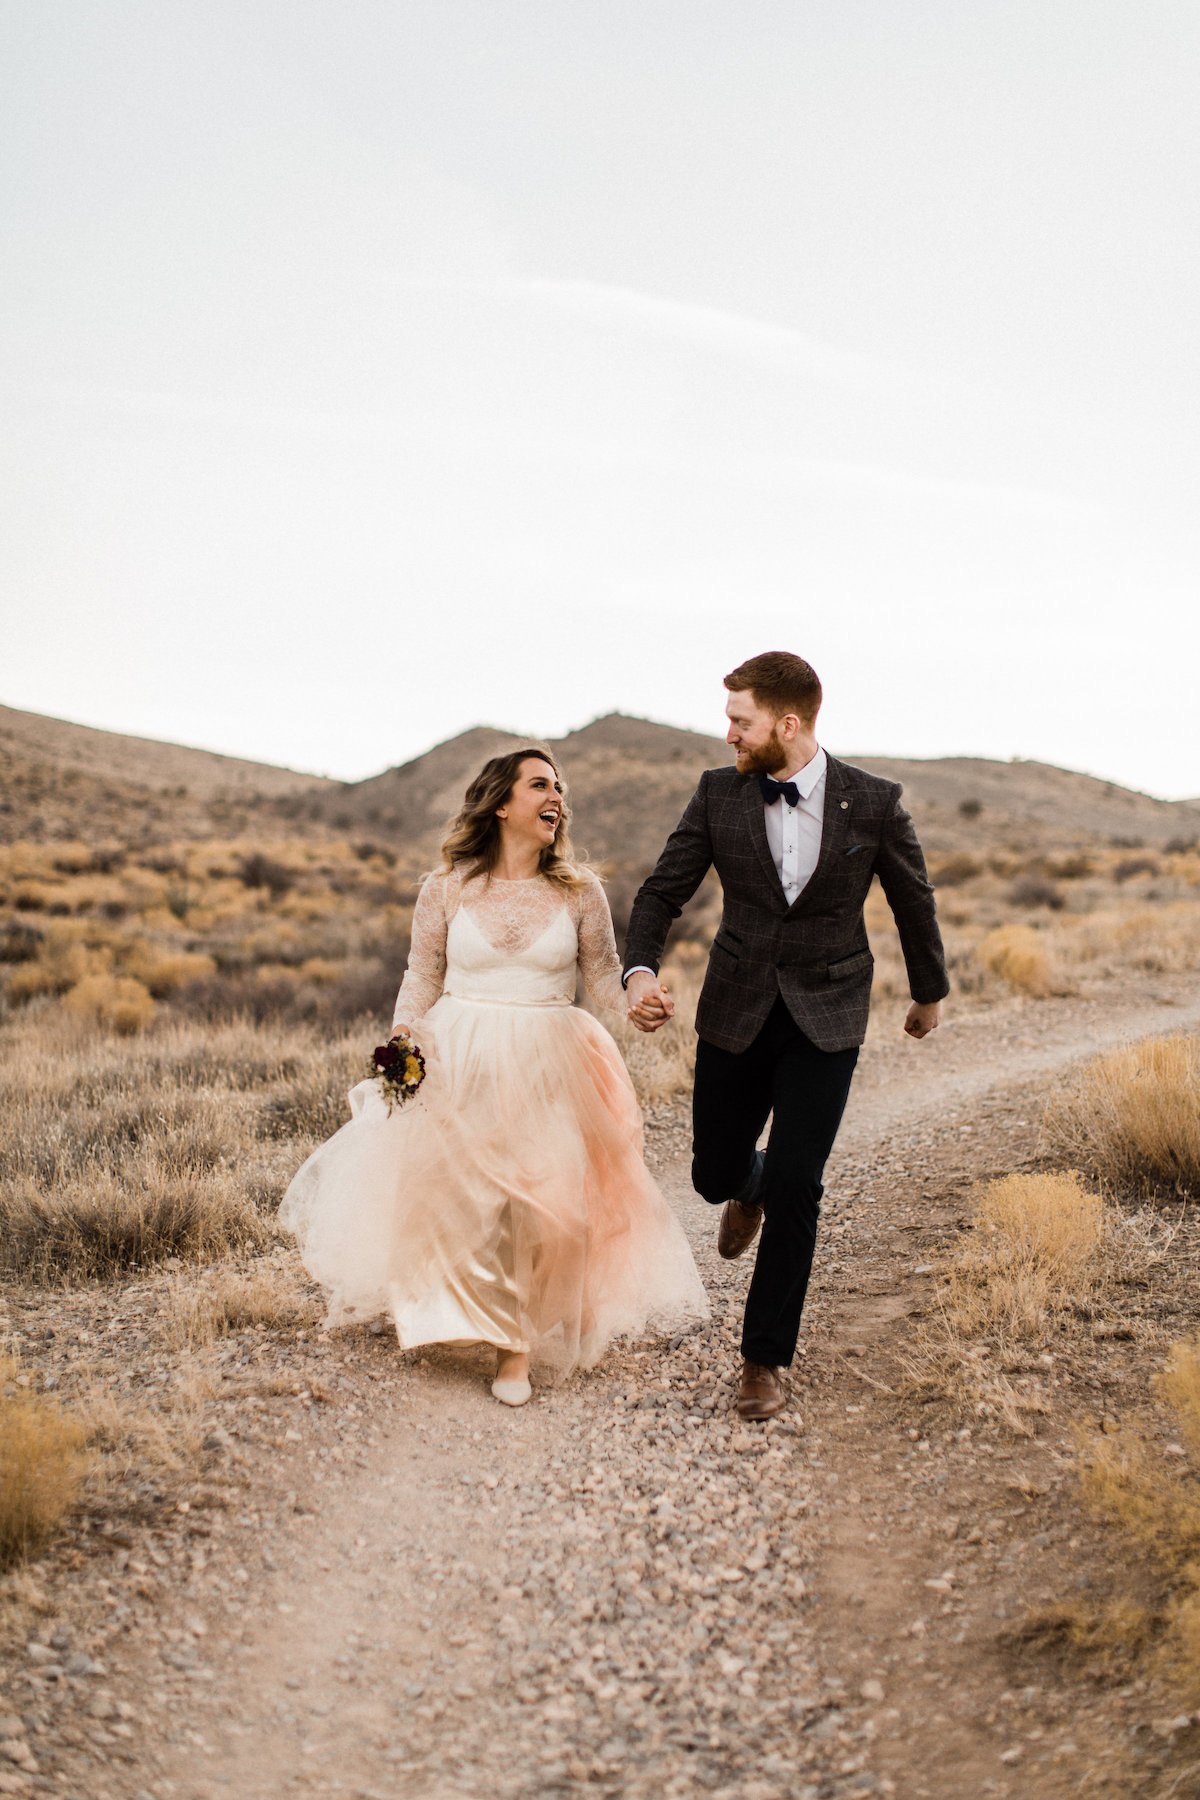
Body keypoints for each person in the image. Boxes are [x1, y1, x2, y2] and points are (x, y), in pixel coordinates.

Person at [280, 747, 706, 1406]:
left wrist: (637, 1006)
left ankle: (516, 1347)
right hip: (459, 1051)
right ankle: (461, 1312)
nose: (556, 796)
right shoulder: (446, 887)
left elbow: (601, 979)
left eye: (560, 786)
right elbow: (421, 974)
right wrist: (401, 1040)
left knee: (543, 1198)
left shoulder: (579, 891)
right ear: (502, 802)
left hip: (550, 1058)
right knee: (462, 1195)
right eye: (540, 784)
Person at [624, 651, 948, 1420]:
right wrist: (639, 971)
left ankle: (764, 1360)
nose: (728, 735)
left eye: (740, 721)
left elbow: (914, 899)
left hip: (828, 1013)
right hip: (736, 1007)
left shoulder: (873, 802)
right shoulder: (717, 795)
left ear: (788, 723)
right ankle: (748, 1186)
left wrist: (929, 993)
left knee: (804, 1182)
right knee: (712, 1172)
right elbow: (662, 891)